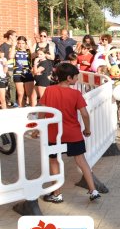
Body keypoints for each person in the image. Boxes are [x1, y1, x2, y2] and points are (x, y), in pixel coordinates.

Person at [39, 63, 100, 203]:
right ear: (68, 78)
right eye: (75, 77)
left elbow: (42, 111)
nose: (77, 80)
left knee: (54, 161)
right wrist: (87, 129)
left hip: (53, 134)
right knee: (81, 161)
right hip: (73, 133)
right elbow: (84, 114)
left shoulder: (49, 90)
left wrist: (38, 129)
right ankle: (93, 190)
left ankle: (57, 194)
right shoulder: (76, 94)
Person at [9, 36, 35, 107]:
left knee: (30, 94)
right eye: (19, 43)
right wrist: (13, 45)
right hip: (17, 74)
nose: (21, 45)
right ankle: (22, 111)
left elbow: (34, 56)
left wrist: (30, 46)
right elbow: (10, 56)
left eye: (23, 43)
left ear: (25, 43)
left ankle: (32, 111)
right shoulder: (15, 50)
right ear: (17, 43)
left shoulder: (28, 51)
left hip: (28, 73)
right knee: (21, 94)